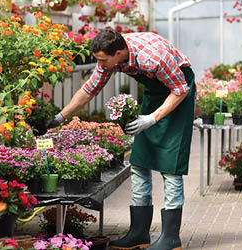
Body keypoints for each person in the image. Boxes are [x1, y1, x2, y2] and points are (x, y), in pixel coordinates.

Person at [47, 28, 196, 250]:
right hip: (156, 95)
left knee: (170, 166)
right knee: (139, 162)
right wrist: (60, 117)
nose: (100, 64)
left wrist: (151, 119)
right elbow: (89, 90)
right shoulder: (111, 59)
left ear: (118, 52)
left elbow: (180, 89)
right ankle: (139, 233)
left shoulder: (154, 58)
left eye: (102, 60)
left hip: (178, 94)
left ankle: (171, 238)